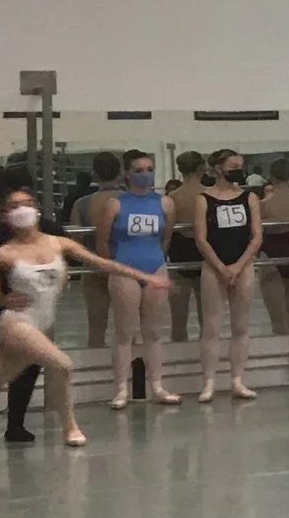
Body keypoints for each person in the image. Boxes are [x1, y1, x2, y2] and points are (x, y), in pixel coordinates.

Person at [0, 185, 169, 447]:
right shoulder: (2, 253)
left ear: (38, 208)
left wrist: (146, 277)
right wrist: (1, 298)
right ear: (6, 215)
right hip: (16, 323)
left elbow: (103, 263)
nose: (23, 210)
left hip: (42, 323)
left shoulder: (58, 242)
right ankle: (71, 427)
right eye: (15, 206)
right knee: (62, 364)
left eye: (28, 203)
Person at [0, 168, 73, 440]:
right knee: (18, 366)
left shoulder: (47, 230)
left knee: (11, 368)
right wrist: (2, 298)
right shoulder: (2, 236)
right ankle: (16, 424)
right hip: (12, 310)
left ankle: (14, 423)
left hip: (33, 308)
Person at [87, 150, 180, 409]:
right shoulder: (115, 204)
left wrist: (155, 262)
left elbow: (166, 237)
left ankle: (157, 386)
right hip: (124, 267)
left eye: (149, 169)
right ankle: (120, 389)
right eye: (138, 170)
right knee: (124, 331)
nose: (145, 175)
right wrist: (114, 269)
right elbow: (102, 242)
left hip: (154, 267)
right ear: (126, 173)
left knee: (152, 331)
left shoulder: (165, 204)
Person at [192, 147, 261, 400]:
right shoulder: (203, 199)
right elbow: (201, 238)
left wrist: (238, 265)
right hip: (214, 266)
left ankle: (237, 379)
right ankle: (209, 382)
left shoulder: (249, 198)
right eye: (233, 166)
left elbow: (256, 236)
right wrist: (221, 267)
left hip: (242, 265)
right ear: (219, 168)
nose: (238, 171)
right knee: (211, 325)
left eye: (240, 166)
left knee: (240, 325)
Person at [68, 152, 122, 349]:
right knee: (129, 328)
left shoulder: (81, 204)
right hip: (126, 266)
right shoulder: (131, 200)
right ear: (120, 172)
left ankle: (96, 367)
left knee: (96, 329)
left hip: (93, 266)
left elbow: (76, 240)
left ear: (95, 174)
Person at [164, 149, 208, 342]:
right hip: (206, 256)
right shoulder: (210, 194)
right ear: (202, 168)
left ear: (180, 170)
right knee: (208, 319)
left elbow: (166, 232)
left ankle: (178, 357)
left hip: (178, 256)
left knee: (178, 320)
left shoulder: (171, 198)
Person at [257, 157, 289, 336]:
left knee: (277, 319)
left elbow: (255, 234)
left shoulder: (263, 205)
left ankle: (281, 346)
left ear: (271, 177)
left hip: (270, 252)